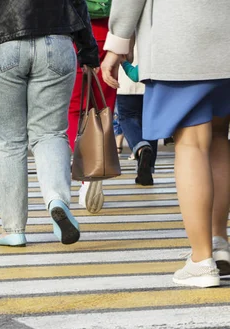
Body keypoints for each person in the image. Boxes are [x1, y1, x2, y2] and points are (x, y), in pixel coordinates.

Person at [101, 0, 230, 287]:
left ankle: (201, 259)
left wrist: (117, 43)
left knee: (193, 143)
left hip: (182, 39)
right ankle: (219, 241)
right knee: (220, 136)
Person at [0, 0, 100, 247]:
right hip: (58, 43)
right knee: (50, 133)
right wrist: (88, 49)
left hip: (3, 46)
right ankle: (57, 201)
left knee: (8, 142)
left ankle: (13, 229)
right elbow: (77, 3)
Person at [70, 15, 117, 214]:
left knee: (74, 111)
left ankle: (87, 175)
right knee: (102, 111)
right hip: (108, 36)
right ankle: (100, 164)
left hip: (73, 36)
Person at [116, 50, 158, 186]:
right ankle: (147, 171)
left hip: (127, 84)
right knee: (150, 124)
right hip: (153, 84)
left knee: (126, 118)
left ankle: (140, 147)